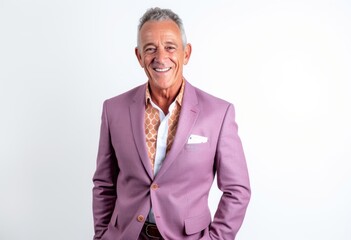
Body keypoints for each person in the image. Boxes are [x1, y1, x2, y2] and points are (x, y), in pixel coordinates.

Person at [92, 7, 251, 240]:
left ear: (186, 53)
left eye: (170, 47)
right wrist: (101, 235)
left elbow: (238, 190)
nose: (160, 57)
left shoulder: (219, 113)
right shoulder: (113, 109)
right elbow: (104, 184)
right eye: (150, 49)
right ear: (139, 56)